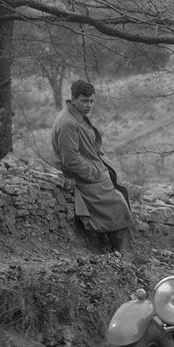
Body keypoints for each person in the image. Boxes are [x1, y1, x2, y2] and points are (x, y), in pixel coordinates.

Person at [51, 79, 133, 254]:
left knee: (120, 195)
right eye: (84, 101)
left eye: (91, 101)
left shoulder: (78, 117)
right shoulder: (68, 123)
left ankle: (114, 248)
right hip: (81, 177)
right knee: (118, 204)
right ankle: (123, 253)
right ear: (74, 99)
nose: (89, 105)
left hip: (92, 173)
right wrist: (94, 173)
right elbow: (70, 160)